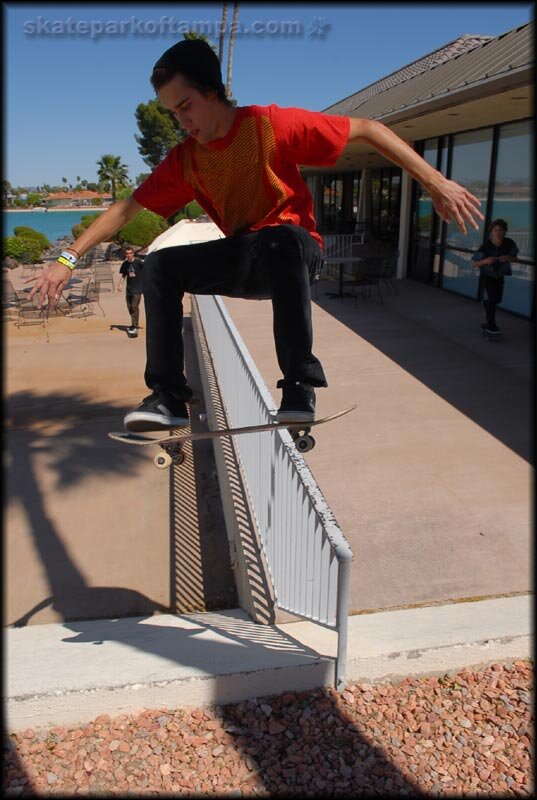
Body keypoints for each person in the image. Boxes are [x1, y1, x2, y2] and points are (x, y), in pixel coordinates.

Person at [28, 39, 484, 432]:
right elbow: (127, 208)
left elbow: (367, 128)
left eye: (186, 107)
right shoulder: (186, 159)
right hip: (247, 258)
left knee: (280, 238)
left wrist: (435, 181)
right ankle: (169, 398)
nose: (181, 121)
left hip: (296, 253)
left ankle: (299, 386)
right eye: (172, 113)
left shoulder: (269, 126)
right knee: (160, 266)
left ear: (212, 92)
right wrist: (67, 260)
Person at [472, 219, 519, 337]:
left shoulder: (509, 243)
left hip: (500, 275)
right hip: (487, 275)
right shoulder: (486, 246)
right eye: (495, 230)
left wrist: (508, 257)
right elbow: (474, 263)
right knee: (493, 300)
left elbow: (516, 258)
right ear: (492, 232)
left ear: (505, 231)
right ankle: (491, 326)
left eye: (500, 230)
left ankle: (486, 303)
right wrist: (486, 260)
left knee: (497, 300)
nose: (497, 232)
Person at [117, 246, 144, 337]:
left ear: (133, 254)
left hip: (138, 289)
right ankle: (134, 323)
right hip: (129, 289)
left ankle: (134, 325)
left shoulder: (139, 263)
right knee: (129, 307)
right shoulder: (125, 264)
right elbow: (124, 275)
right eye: (127, 253)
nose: (128, 255)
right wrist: (120, 284)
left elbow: (146, 272)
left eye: (130, 253)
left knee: (134, 307)